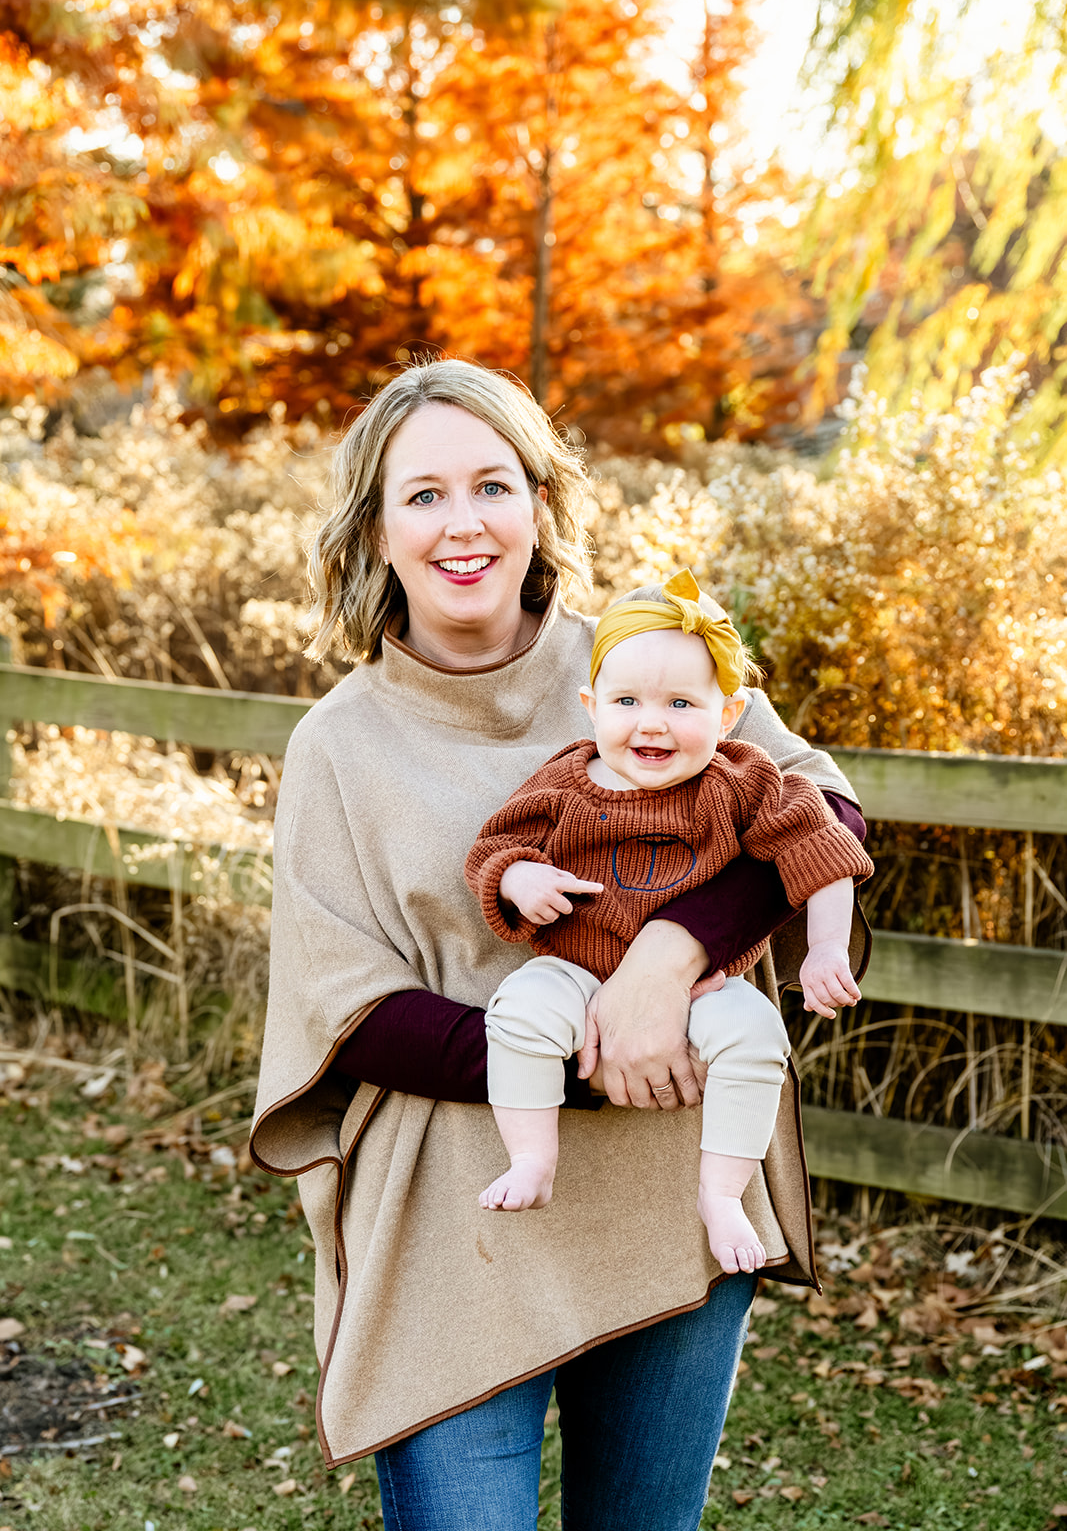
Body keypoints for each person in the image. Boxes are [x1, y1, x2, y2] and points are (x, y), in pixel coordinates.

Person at [249, 358, 871, 1531]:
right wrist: (590, 1052)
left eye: (491, 483)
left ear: (539, 502)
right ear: (372, 530)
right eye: (420, 495)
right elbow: (351, 1007)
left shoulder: (642, 665)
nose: (462, 523)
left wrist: (669, 955)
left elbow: (819, 816)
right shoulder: (338, 745)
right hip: (457, 1221)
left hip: (665, 1195)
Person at [466, 569, 874, 1273]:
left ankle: (720, 1195)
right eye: (626, 701)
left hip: (701, 992)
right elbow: (492, 848)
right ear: (591, 707)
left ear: (727, 713)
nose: (650, 722)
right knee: (518, 1013)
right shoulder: (564, 780)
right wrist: (519, 878)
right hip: (573, 968)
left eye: (680, 703)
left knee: (755, 1037)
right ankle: (532, 1158)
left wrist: (823, 948)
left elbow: (824, 846)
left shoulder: (742, 781)